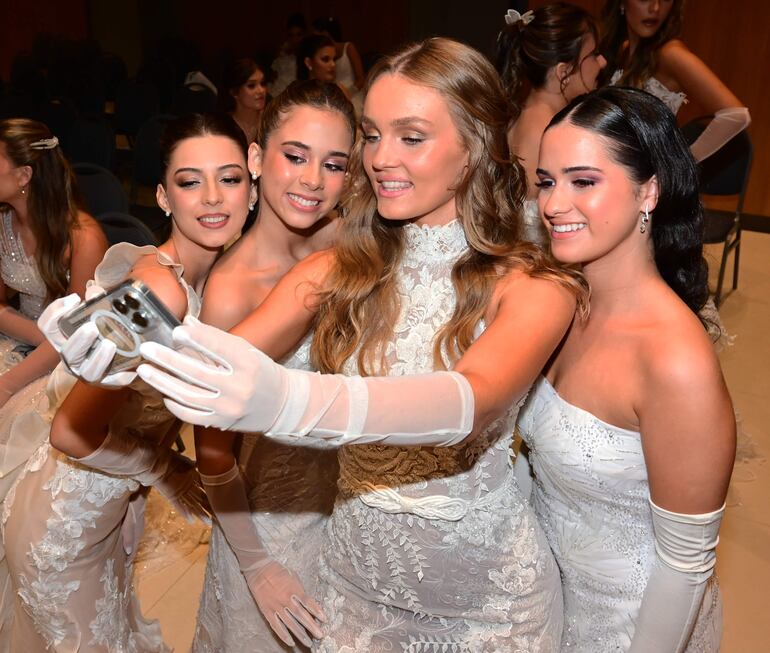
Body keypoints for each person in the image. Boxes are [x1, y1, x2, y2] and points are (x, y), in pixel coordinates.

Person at [137, 37, 589, 651]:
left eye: (411, 137)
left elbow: (472, 402)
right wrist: (118, 349)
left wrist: (287, 399)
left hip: (484, 604)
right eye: (372, 136)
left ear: (474, 145)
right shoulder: (342, 267)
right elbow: (213, 362)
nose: (379, 159)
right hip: (351, 591)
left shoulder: (532, 279)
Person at [1, 113, 252, 651]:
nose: (212, 197)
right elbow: (69, 432)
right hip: (65, 526)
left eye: (229, 179)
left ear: (252, 189)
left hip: (105, 511)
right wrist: (168, 468)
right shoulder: (161, 291)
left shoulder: (213, 280)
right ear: (163, 197)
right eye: (190, 181)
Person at [517, 86, 735, 651]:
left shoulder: (674, 360)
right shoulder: (557, 304)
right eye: (546, 181)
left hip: (636, 626)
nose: (553, 204)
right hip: (546, 608)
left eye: (583, 181)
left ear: (649, 190)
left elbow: (685, 566)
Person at [192, 80, 355, 652]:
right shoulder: (233, 291)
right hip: (273, 522)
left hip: (359, 506)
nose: (313, 180)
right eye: (296, 156)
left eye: (333, 164)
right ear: (258, 158)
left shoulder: (352, 243)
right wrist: (259, 566)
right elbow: (212, 456)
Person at [497, 5, 606, 245]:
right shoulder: (553, 131)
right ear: (564, 72)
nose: (603, 62)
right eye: (594, 54)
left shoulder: (521, 115)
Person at [600, 0, 750, 162]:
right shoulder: (623, 49)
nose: (655, 8)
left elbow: (737, 116)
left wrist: (679, 167)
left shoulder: (670, 54)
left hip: (641, 178)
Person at [222, 58, 270, 144]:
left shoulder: (272, 121)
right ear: (234, 92)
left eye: (262, 83)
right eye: (251, 85)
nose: (261, 90)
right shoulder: (222, 127)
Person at [311, 17, 365, 93]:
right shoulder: (319, 55)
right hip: (334, 96)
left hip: (353, 94)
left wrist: (349, 93)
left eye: (317, 37)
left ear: (326, 34)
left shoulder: (348, 47)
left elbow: (361, 78)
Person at [297, 35, 351, 103]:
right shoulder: (298, 96)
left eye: (334, 59)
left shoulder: (341, 91)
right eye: (325, 59)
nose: (333, 64)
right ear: (309, 63)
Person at [272, 13, 308, 96]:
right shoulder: (283, 56)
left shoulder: (309, 57)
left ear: (305, 34)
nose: (295, 39)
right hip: (277, 94)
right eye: (291, 35)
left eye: (299, 35)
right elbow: (274, 78)